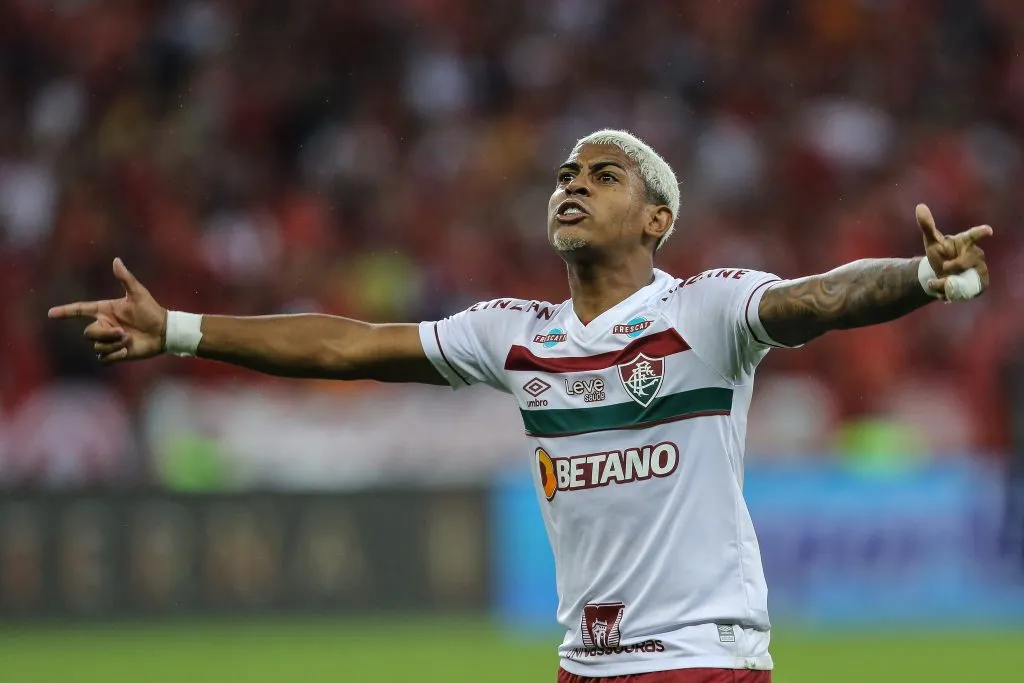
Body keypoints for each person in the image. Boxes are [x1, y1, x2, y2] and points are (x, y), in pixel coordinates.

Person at [49, 130, 992, 683]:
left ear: (658, 219)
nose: (573, 184)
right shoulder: (514, 333)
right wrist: (180, 329)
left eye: (603, 175)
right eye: (565, 176)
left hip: (698, 659)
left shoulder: (704, 311)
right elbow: (349, 344)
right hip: (584, 663)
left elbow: (818, 299)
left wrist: (919, 276)